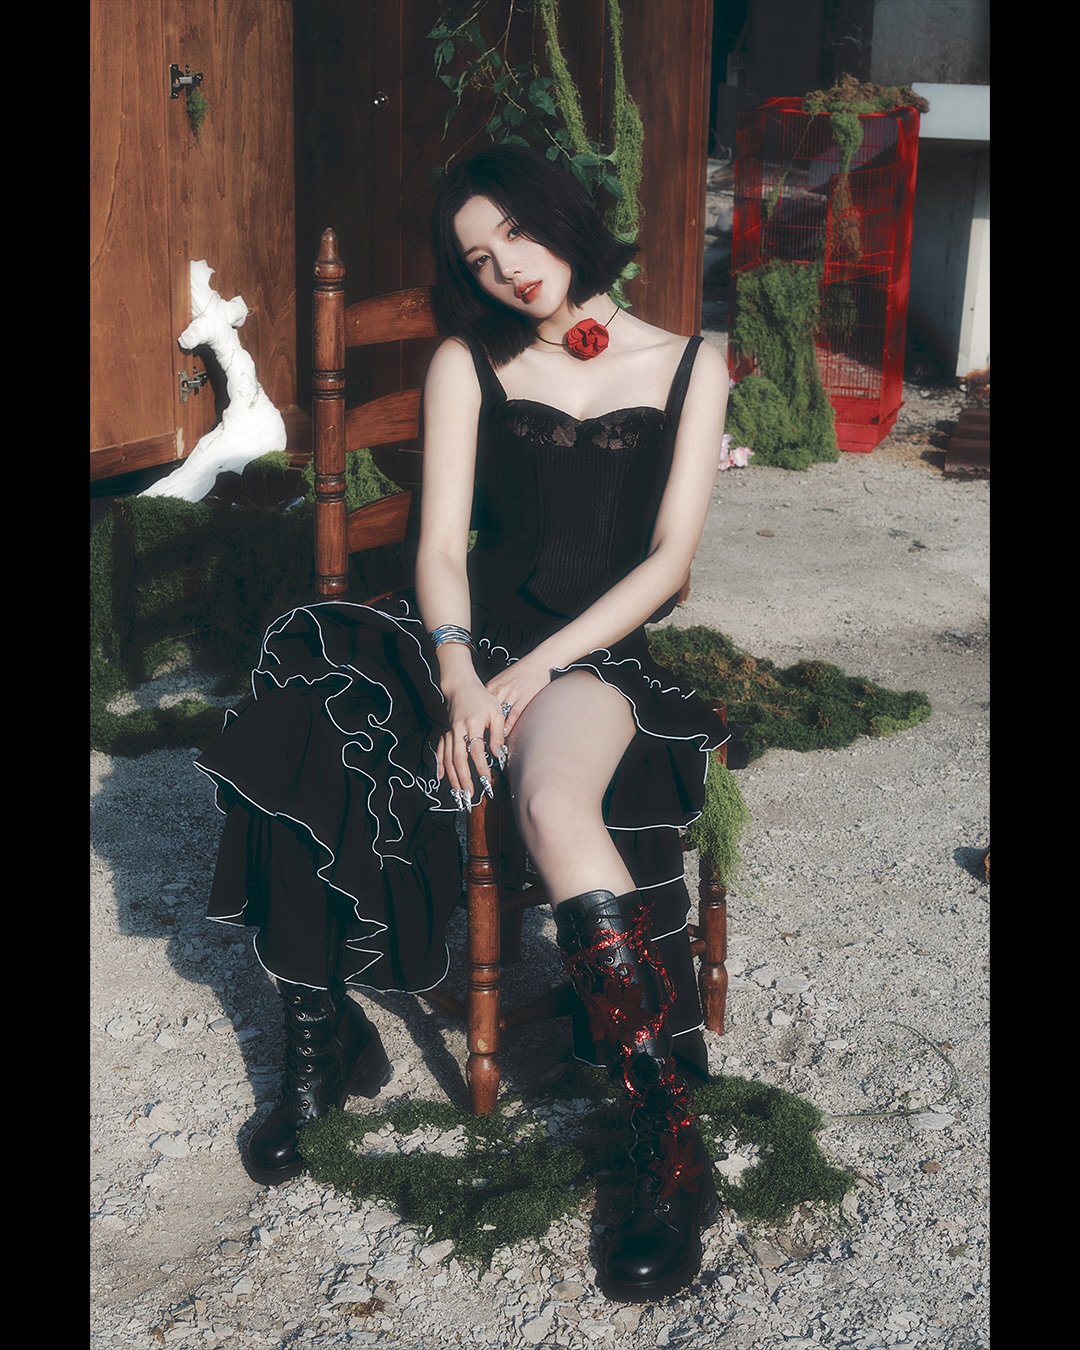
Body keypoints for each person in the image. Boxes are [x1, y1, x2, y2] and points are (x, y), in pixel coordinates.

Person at [196, 144, 730, 1302]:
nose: (506, 270)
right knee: (296, 710)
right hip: (454, 638)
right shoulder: (466, 360)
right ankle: (322, 1042)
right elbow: (439, 547)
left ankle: (668, 1147)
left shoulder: (692, 364)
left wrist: (526, 675)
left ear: (563, 218)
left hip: (588, 656)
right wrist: (457, 675)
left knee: (553, 798)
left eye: (517, 236)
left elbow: (666, 564)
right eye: (478, 259)